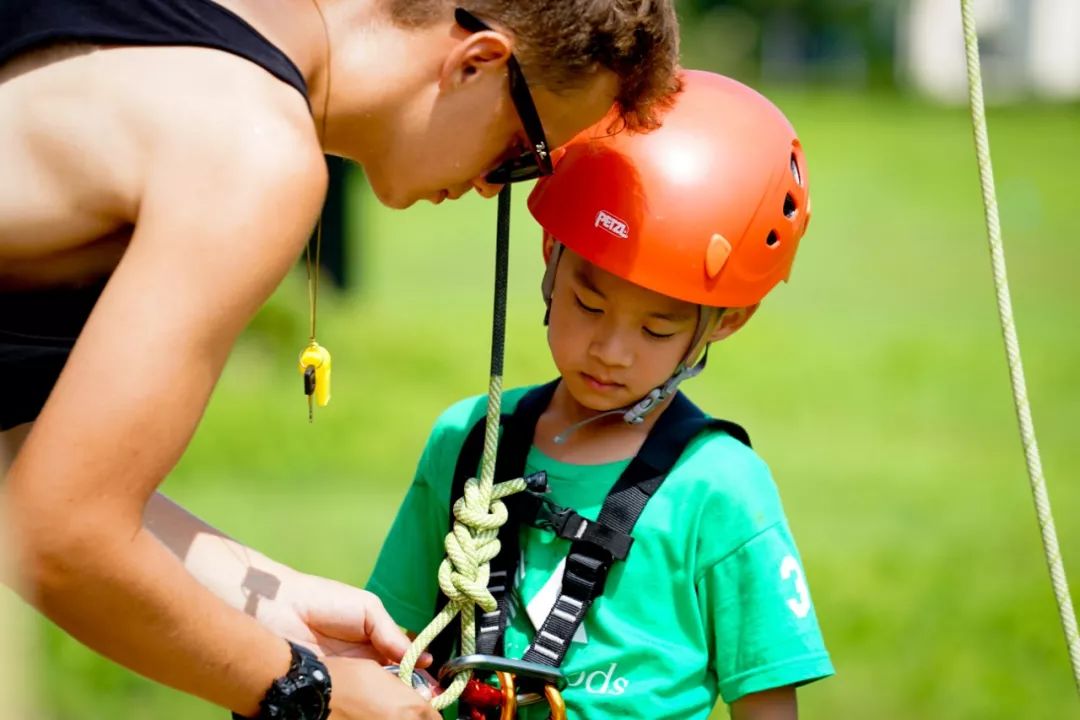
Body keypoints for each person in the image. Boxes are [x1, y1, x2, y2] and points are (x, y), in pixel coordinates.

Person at [0, 1, 681, 718]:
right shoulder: (252, 149)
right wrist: (305, 689)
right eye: (524, 149)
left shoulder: (176, 35)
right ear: (475, 62)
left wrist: (272, 595)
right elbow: (64, 540)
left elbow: (27, 475)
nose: (492, 185)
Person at [368, 70, 834, 719]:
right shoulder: (468, 441)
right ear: (550, 253)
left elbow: (767, 707)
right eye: (588, 303)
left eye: (656, 327)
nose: (611, 350)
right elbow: (386, 649)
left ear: (726, 320)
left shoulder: (722, 488)